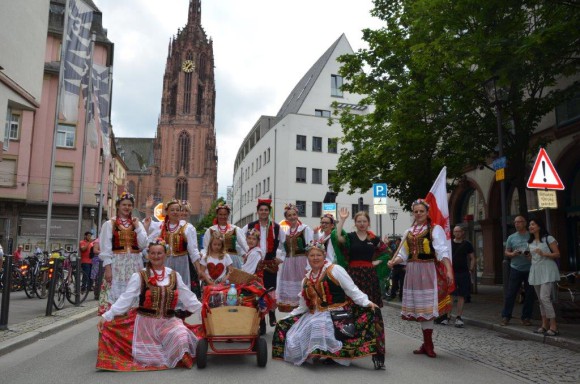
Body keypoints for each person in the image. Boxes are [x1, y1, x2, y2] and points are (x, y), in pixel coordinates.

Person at [272, 242, 385, 369]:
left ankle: (332, 354)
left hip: (337, 312)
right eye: (312, 255)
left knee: (317, 325)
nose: (315, 258)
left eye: (318, 255)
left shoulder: (335, 270)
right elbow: (303, 306)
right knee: (295, 335)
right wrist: (288, 317)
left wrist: (367, 302)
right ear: (307, 257)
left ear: (324, 255)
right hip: (315, 313)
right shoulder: (306, 280)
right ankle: (318, 352)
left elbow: (352, 290)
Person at [96, 239, 202, 371]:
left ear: (166, 254)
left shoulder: (174, 275)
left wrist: (204, 311)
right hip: (145, 324)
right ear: (148, 255)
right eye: (153, 253)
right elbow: (126, 298)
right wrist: (107, 315)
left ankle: (170, 353)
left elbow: (188, 297)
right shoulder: (139, 276)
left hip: (169, 321)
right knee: (148, 354)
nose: (156, 256)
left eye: (159, 253)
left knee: (181, 339)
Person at [387, 199, 453, 358]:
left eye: (421, 211)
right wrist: (394, 261)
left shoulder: (435, 229)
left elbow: (442, 251)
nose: (418, 214)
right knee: (422, 309)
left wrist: (449, 270)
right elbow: (403, 254)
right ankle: (425, 343)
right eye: (415, 211)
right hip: (413, 271)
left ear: (427, 212)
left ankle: (429, 344)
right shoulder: (408, 232)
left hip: (428, 270)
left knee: (428, 307)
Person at [98, 192, 148, 315]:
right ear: (118, 206)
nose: (127, 207)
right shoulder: (110, 224)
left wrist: (138, 227)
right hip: (117, 265)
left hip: (135, 264)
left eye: (130, 205)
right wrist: (108, 268)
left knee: (134, 292)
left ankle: (131, 324)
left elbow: (143, 244)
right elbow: (105, 249)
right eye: (124, 205)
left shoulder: (137, 223)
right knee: (117, 295)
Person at [242, 199, 283, 332]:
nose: (263, 212)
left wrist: (279, 257)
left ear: (269, 211)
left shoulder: (276, 227)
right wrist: (244, 254)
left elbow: (284, 243)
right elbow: (240, 241)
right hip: (256, 265)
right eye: (261, 210)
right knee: (258, 292)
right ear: (257, 212)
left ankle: (271, 314)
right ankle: (261, 323)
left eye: (266, 210)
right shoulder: (250, 226)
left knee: (270, 290)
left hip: (270, 263)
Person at [334, 208, 386, 308]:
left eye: (364, 221)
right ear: (355, 223)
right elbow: (337, 237)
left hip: (369, 275)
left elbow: (386, 252)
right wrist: (342, 219)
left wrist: (379, 261)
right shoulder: (350, 237)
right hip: (353, 273)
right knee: (352, 301)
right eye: (359, 221)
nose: (362, 223)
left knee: (369, 302)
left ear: (368, 223)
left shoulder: (374, 238)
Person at [147, 199, 201, 291]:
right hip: (165, 262)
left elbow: (193, 250)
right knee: (164, 285)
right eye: (172, 210)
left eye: (178, 210)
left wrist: (198, 269)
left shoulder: (187, 228)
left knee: (181, 286)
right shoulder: (161, 226)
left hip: (182, 262)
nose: (175, 212)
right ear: (167, 211)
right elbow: (148, 242)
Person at [527, 217, 561, 336]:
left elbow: (557, 254)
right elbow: (533, 257)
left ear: (539, 226)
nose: (530, 226)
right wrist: (528, 256)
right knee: (541, 300)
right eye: (530, 225)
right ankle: (544, 325)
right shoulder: (530, 242)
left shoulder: (548, 238)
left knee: (544, 297)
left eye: (533, 224)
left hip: (547, 269)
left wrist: (544, 253)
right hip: (536, 270)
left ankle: (554, 326)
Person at [277, 203, 314, 312]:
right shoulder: (285, 232)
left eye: (294, 214)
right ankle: (294, 316)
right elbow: (283, 249)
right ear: (286, 218)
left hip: (302, 262)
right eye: (289, 215)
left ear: (297, 215)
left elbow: (310, 247)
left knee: (302, 289)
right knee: (290, 296)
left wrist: (309, 266)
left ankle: (304, 312)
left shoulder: (305, 229)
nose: (292, 217)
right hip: (289, 264)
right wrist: (281, 259)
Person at [500, 215, 534, 327]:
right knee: (511, 293)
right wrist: (512, 254)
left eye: (519, 222)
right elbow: (506, 252)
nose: (517, 224)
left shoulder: (532, 236)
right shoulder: (511, 237)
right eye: (515, 222)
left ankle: (526, 317)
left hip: (530, 268)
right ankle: (506, 316)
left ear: (525, 223)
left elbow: (538, 250)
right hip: (515, 268)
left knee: (530, 294)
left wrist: (530, 254)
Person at [202, 203, 248, 269]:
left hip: (232, 260)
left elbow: (244, 245)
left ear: (228, 215)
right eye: (220, 214)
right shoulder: (211, 230)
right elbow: (206, 248)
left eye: (225, 214)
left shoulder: (235, 229)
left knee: (232, 278)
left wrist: (248, 254)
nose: (222, 217)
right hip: (216, 260)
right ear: (217, 215)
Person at [450, 225, 475, 328]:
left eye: (459, 231)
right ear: (453, 233)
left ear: (462, 232)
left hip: (464, 272)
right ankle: (447, 316)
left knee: (462, 295)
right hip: (451, 272)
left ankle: (458, 317)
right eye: (455, 231)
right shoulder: (449, 243)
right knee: (450, 294)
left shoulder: (467, 244)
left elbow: (473, 258)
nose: (457, 233)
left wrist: (471, 269)